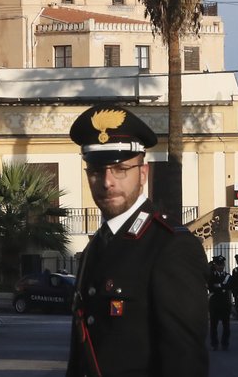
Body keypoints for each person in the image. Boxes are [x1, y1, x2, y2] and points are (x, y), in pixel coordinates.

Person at [66, 104, 209, 377]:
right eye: (96, 171)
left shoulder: (170, 247)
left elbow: (185, 361)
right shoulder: (98, 245)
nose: (107, 182)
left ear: (142, 174)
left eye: (120, 169)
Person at [207, 255, 233, 351]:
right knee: (214, 325)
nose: (221, 267)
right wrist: (222, 286)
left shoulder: (228, 276)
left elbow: (230, 286)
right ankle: (214, 343)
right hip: (215, 303)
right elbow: (211, 287)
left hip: (225, 303)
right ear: (215, 265)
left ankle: (225, 343)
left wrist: (219, 285)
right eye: (218, 265)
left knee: (226, 325)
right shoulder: (211, 276)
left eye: (222, 264)